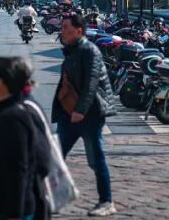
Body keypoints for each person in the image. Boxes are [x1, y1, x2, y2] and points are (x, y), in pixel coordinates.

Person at [53, 13, 116, 217]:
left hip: (90, 115)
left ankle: (106, 201)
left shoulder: (90, 51)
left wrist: (80, 110)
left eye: (66, 28)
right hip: (69, 113)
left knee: (96, 159)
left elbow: (91, 84)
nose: (62, 31)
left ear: (78, 31)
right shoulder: (71, 50)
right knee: (56, 157)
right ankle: (55, 198)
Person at [0, 57, 52, 220]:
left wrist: (14, 214)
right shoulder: (8, 112)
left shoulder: (12, 118)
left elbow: (18, 169)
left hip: (6, 209)